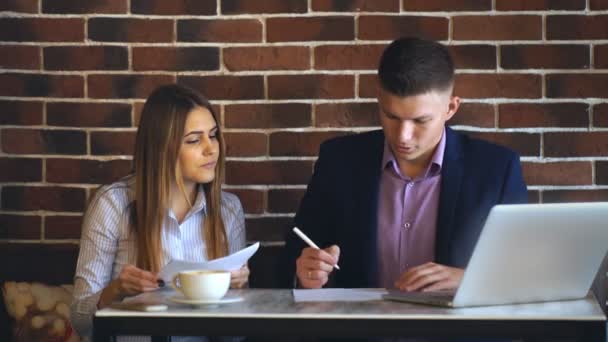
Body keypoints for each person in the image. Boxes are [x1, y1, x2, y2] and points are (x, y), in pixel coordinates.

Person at [282, 37, 528, 292]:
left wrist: (467, 280)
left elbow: (527, 273)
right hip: (359, 329)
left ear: (451, 108)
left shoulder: (497, 170)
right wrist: (305, 273)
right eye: (391, 116)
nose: (403, 136)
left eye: (420, 121)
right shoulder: (339, 161)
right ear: (379, 99)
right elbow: (294, 256)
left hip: (456, 330)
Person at [70, 84, 249, 341]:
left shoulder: (228, 209)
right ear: (161, 147)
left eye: (214, 135)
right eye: (194, 140)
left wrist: (238, 292)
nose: (212, 149)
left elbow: (234, 336)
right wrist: (115, 291)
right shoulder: (112, 204)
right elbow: (79, 321)